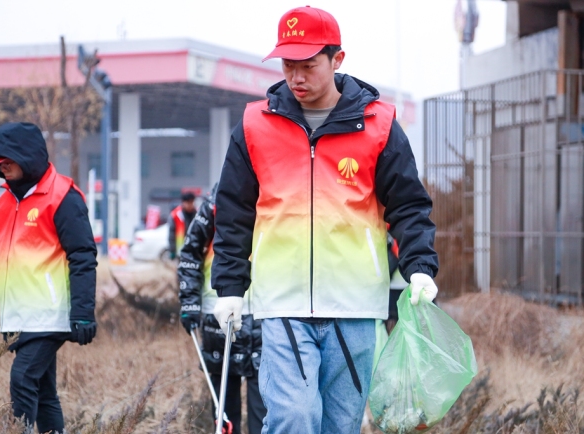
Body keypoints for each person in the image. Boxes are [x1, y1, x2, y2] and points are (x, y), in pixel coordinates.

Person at [210, 6, 439, 433]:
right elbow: (235, 212)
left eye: (308, 65)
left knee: (341, 424)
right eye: (288, 65)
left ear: (337, 60)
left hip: (354, 305)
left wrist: (420, 267)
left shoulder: (380, 126)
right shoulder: (254, 127)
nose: (296, 77)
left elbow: (408, 205)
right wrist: (228, 287)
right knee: (293, 418)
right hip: (281, 303)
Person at [0, 122, 98, 434]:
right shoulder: (5, 201)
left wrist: (84, 313)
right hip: (18, 314)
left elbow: (83, 256)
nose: (1, 168)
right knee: (45, 395)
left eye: (7, 161)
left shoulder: (63, 197)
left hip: (50, 314)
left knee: (22, 379)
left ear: (28, 156)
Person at [178, 185, 266, 434]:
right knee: (225, 411)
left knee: (266, 408)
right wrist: (189, 303)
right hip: (219, 314)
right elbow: (190, 255)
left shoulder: (275, 196)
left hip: (265, 314)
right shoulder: (212, 204)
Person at [168, 191, 196, 259]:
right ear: (183, 202)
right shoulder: (176, 215)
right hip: (180, 251)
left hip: (195, 251)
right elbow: (171, 234)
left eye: (191, 202)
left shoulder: (198, 214)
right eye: (188, 202)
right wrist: (172, 250)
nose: (190, 205)